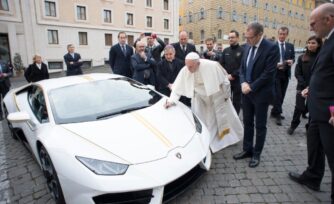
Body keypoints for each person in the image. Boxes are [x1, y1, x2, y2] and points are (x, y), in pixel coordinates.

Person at [288, 3, 334, 203]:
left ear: (329, 19)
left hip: (329, 113)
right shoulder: (328, 40)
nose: (310, 28)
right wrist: (311, 88)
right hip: (316, 109)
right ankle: (313, 176)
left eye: (313, 23)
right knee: (314, 145)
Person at [164, 52, 243, 153]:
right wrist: (171, 101)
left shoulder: (212, 66)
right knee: (200, 119)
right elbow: (177, 88)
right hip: (199, 98)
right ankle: (204, 140)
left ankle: (221, 141)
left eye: (191, 66)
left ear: (198, 63)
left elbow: (225, 81)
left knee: (216, 119)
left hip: (215, 96)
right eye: (187, 66)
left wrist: (226, 96)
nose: (188, 69)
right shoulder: (186, 69)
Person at [233, 22, 279, 168]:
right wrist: (242, 83)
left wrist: (251, 87)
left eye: (250, 37)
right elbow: (242, 69)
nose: (247, 40)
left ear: (260, 35)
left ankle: (256, 153)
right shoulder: (247, 46)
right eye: (246, 37)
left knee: (260, 125)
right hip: (246, 93)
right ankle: (247, 149)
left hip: (261, 94)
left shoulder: (271, 47)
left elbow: (269, 74)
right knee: (247, 122)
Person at [287, 36, 322, 135]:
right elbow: (297, 73)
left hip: (315, 88)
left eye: (313, 43)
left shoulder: (321, 58)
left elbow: (320, 74)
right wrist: (304, 85)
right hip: (301, 87)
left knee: (311, 108)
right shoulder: (302, 57)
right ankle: (293, 125)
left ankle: (309, 127)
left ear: (318, 44)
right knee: (299, 107)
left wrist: (311, 86)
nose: (310, 45)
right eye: (309, 42)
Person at [271, 27, 295, 126]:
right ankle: (278, 114)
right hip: (275, 74)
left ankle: (274, 111)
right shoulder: (272, 45)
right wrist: (275, 64)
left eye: (284, 34)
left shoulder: (290, 46)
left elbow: (293, 57)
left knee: (283, 94)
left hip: (285, 74)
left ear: (286, 35)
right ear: (278, 34)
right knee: (278, 95)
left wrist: (291, 61)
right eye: (280, 34)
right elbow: (268, 60)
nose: (282, 36)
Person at [220, 30, 244, 114]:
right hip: (226, 80)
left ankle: (235, 117)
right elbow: (221, 64)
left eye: (232, 37)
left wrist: (233, 75)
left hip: (237, 80)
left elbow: (243, 66)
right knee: (226, 99)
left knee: (236, 101)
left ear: (237, 38)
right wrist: (225, 74)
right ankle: (228, 116)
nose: (230, 39)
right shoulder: (225, 50)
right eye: (229, 37)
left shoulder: (243, 51)